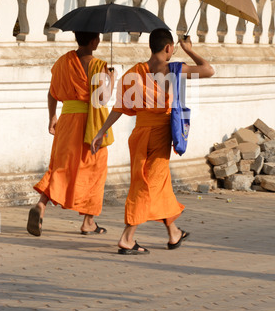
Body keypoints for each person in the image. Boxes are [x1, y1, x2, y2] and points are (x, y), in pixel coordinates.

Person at [90, 29, 214, 254]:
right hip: (159, 134)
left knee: (158, 182)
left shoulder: (133, 72)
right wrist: (189, 49)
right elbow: (209, 70)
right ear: (168, 48)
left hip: (139, 134)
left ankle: (173, 233)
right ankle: (127, 238)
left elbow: (119, 107)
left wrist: (101, 131)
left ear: (150, 46)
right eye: (173, 49)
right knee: (149, 184)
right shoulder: (173, 70)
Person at [27, 31, 115, 237]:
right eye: (98, 38)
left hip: (67, 120)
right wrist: (111, 79)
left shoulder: (63, 62)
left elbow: (52, 92)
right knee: (94, 169)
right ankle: (88, 222)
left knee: (60, 166)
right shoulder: (100, 66)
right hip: (92, 125)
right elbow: (102, 100)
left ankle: (41, 205)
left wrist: (52, 117)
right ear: (94, 41)